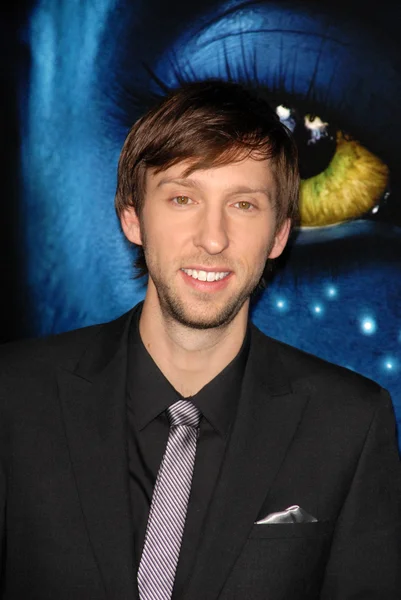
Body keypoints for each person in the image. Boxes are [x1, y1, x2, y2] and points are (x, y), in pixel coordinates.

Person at [0, 80, 400, 600]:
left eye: (244, 205)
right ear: (132, 218)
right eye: (183, 198)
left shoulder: (350, 423)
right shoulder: (14, 395)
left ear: (280, 234)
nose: (213, 239)